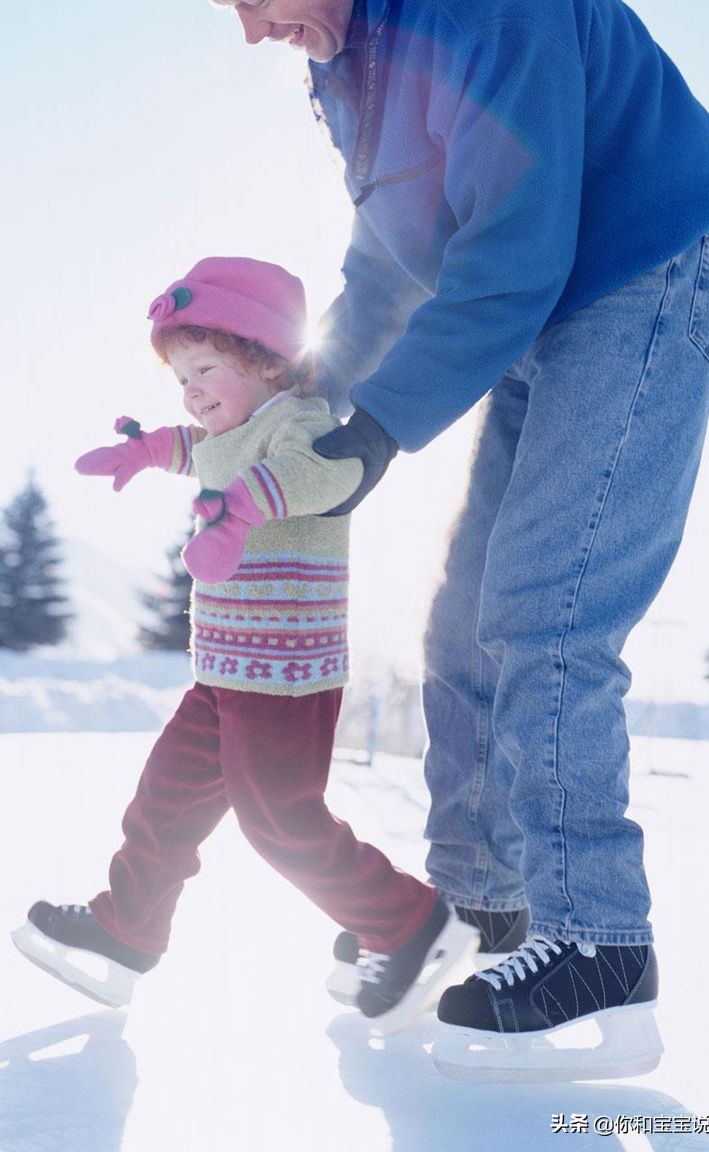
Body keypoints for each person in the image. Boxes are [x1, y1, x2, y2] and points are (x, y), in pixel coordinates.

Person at [215, 1, 709, 1079]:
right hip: (539, 317)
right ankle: (484, 907)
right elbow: (385, 265)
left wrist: (375, 433)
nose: (250, 30)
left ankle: (599, 942)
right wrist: (312, 418)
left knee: (548, 607)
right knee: (461, 624)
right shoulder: (349, 57)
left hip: (637, 276)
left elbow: (512, 248)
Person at [11, 256, 480, 1035]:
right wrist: (146, 450)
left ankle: (412, 924)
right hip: (223, 674)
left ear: (265, 359)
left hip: (287, 679)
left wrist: (243, 508)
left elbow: (318, 477)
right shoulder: (229, 431)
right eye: (180, 377)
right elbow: (195, 449)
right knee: (162, 802)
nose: (191, 392)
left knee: (282, 821)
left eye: (205, 368)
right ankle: (125, 930)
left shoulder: (299, 423)